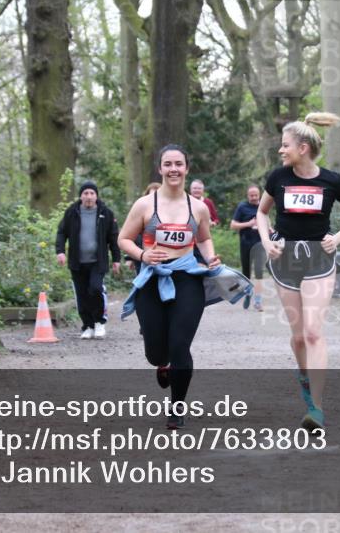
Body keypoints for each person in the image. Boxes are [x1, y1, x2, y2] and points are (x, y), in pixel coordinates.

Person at [256, 113, 340, 432]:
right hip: (285, 260)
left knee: (314, 332)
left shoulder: (331, 181)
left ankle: (316, 409)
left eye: (285, 145)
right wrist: (267, 242)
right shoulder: (277, 178)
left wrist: (338, 237)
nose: (281, 150)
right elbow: (262, 214)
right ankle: (305, 380)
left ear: (303, 148)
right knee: (298, 337)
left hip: (319, 259)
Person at [117, 145, 221, 429]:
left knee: (180, 346)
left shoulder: (197, 207)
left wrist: (210, 257)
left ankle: (177, 408)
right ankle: (162, 364)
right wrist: (142, 255)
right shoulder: (144, 205)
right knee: (155, 352)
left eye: (179, 164)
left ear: (187, 168)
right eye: (168, 164)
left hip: (187, 279)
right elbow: (124, 239)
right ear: (160, 169)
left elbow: (204, 238)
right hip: (152, 279)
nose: (173, 169)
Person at [55, 181, 122, 339]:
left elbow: (113, 237)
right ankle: (88, 326)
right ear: (81, 195)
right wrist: (60, 251)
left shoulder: (106, 213)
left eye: (92, 193)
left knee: (95, 288)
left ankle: (99, 322)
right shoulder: (72, 211)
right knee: (82, 295)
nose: (89, 197)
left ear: (96, 196)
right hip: (77, 262)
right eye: (86, 193)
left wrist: (116, 259)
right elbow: (61, 232)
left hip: (98, 261)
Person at [230, 184, 264, 311]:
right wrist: (248, 224)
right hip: (246, 243)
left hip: (260, 243)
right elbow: (233, 225)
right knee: (246, 273)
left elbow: (266, 221)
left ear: (259, 194)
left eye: (256, 195)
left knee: (259, 272)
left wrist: (269, 229)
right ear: (247, 195)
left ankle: (258, 301)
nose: (254, 197)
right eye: (251, 195)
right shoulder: (242, 207)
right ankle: (248, 293)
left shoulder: (263, 206)